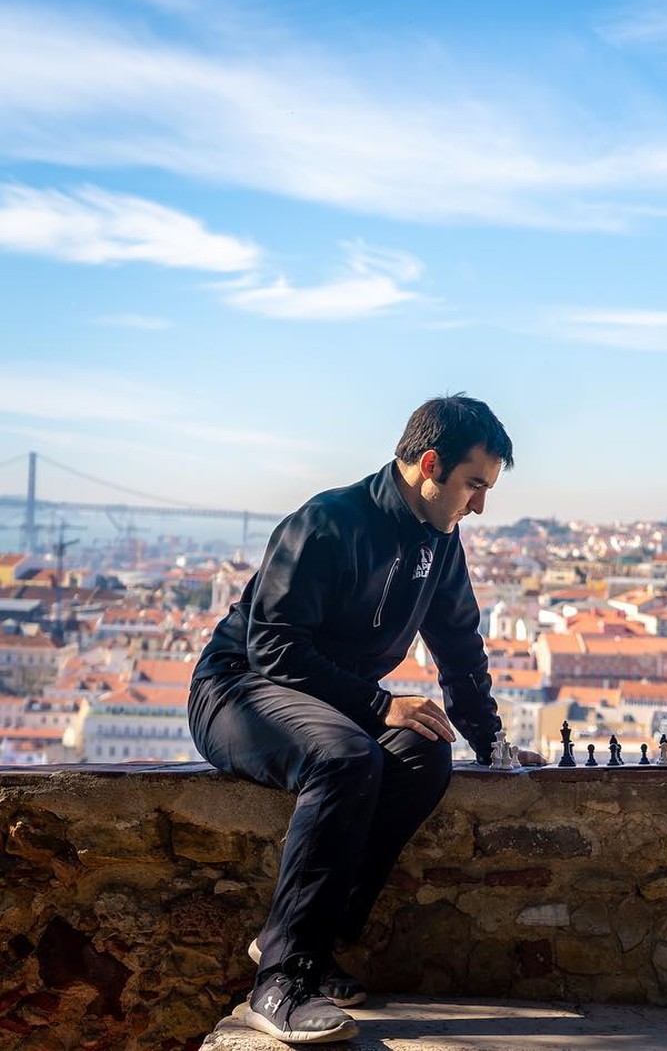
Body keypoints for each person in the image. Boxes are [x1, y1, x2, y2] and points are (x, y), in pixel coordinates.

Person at [188, 394, 545, 1045]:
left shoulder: (441, 544)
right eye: (473, 484)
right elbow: (272, 646)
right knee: (347, 754)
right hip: (240, 690)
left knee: (424, 752)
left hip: (328, 705)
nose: (480, 505)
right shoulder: (328, 521)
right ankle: (279, 980)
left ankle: (304, 939)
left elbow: (461, 651)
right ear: (429, 463)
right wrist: (383, 705)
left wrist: (494, 747)